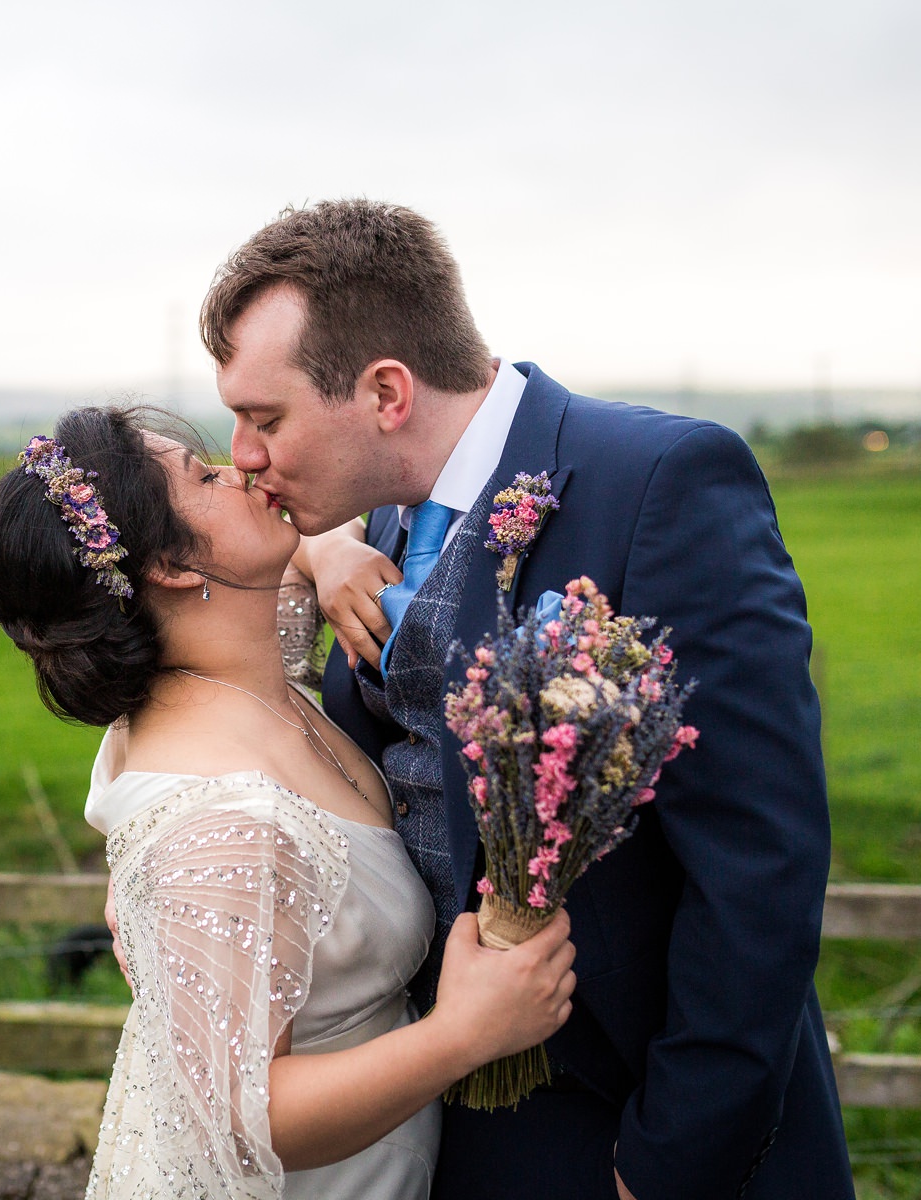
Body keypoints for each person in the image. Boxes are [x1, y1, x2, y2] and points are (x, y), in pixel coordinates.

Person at [204, 200, 855, 1199]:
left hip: (631, 1120)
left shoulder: (659, 482)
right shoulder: (363, 516)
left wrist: (674, 1159)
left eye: (265, 418)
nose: (245, 454)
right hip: (444, 1125)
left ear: (385, 392)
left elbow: (761, 856)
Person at [0, 407, 578, 1200]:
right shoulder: (224, 823)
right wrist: (467, 1033)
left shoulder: (230, 677)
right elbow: (238, 1116)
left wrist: (325, 550)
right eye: (202, 475)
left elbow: (291, 574)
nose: (239, 468)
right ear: (174, 570)